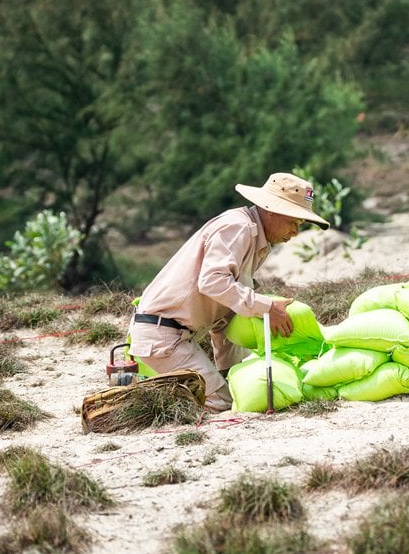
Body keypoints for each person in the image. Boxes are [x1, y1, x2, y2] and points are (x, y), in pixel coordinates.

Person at [126, 172, 330, 411]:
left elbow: (225, 315)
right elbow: (213, 282)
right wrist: (266, 307)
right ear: (271, 210)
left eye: (300, 224)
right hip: (163, 336)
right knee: (221, 403)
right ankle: (154, 410)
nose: (295, 232)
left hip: (174, 335)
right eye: (293, 222)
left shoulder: (256, 239)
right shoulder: (238, 227)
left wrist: (230, 372)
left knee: (233, 394)